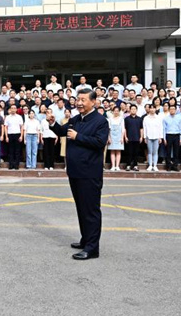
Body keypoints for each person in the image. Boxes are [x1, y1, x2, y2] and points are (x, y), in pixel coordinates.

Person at [46, 90, 109, 260]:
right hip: (75, 172)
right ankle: (86, 239)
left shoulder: (100, 121)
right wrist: (53, 124)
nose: (79, 103)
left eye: (83, 100)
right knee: (81, 208)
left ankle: (92, 248)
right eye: (78, 100)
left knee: (91, 210)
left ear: (94, 102)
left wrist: (78, 136)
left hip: (89, 173)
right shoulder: (75, 119)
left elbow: (99, 142)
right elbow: (62, 131)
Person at [162, 105, 181, 171]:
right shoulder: (165, 118)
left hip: (177, 135)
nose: (172, 110)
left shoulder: (179, 118)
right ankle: (168, 166)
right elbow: (164, 129)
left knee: (176, 151)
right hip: (168, 135)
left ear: (176, 110)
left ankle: (175, 165)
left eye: (173, 109)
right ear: (169, 110)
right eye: (171, 109)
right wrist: (164, 138)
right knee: (168, 151)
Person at [143, 104, 163, 171]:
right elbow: (144, 128)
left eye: (153, 108)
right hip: (149, 136)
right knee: (149, 151)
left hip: (156, 136)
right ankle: (150, 165)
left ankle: (155, 165)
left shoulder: (158, 118)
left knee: (155, 152)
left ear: (155, 109)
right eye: (150, 108)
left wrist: (160, 137)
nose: (152, 109)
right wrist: (145, 137)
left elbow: (160, 128)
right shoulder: (146, 118)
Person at [123, 105, 143, 171]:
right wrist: (125, 137)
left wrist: (141, 137)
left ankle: (135, 165)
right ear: (130, 110)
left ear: (136, 110)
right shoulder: (127, 119)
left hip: (137, 138)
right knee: (129, 152)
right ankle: (128, 165)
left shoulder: (139, 119)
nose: (133, 110)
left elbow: (141, 129)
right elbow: (125, 129)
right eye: (132, 109)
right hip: (129, 138)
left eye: (134, 109)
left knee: (136, 153)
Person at [107, 107, 125, 171]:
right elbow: (108, 129)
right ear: (113, 111)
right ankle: (113, 166)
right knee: (112, 151)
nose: (116, 112)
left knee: (118, 151)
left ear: (119, 112)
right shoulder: (110, 119)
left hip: (119, 136)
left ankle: (117, 166)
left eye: (117, 111)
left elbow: (123, 129)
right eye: (115, 111)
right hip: (112, 136)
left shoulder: (121, 119)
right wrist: (109, 137)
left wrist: (122, 138)